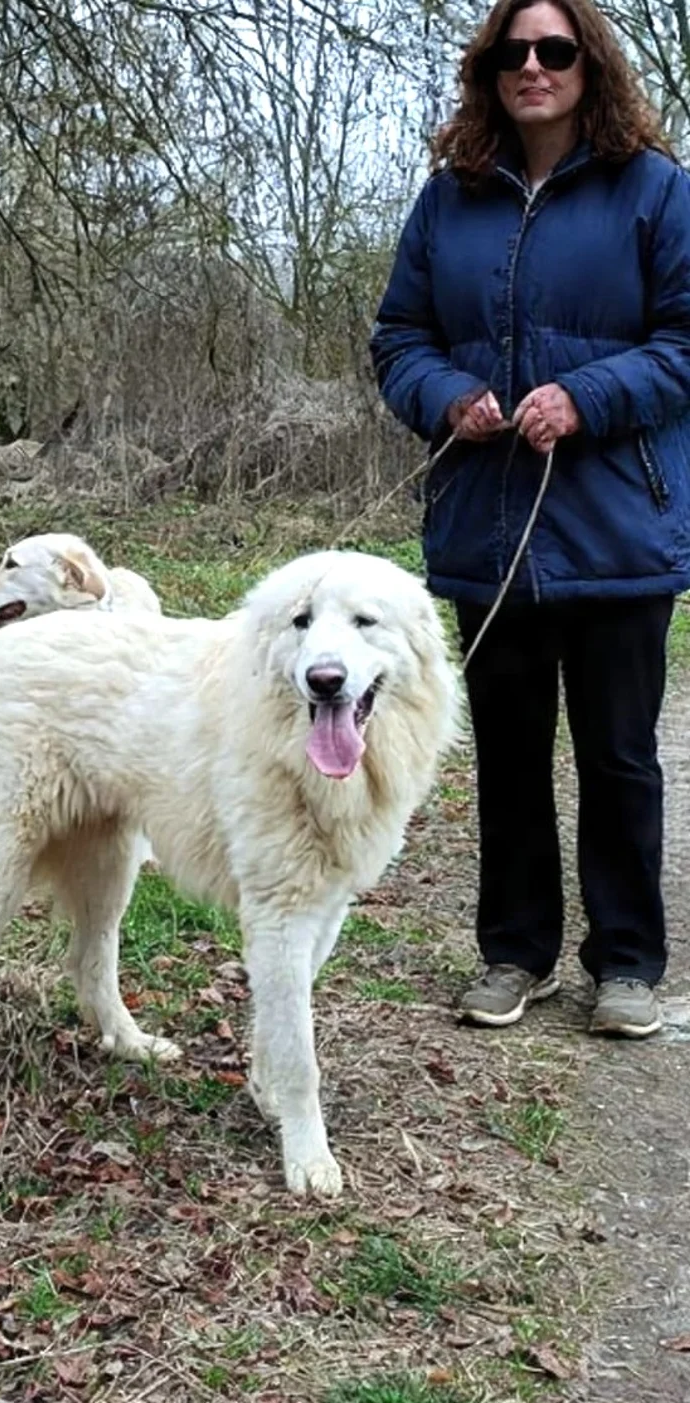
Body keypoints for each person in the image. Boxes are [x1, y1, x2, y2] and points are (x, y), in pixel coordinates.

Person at [370, 0, 690, 1037]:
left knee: (619, 755)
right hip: (487, 525)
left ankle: (629, 963)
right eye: (512, 53)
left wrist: (588, 396)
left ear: (588, 64)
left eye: (553, 50)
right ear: (489, 71)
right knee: (508, 753)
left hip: (618, 530)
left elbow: (685, 344)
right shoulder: (447, 200)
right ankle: (515, 953)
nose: (532, 67)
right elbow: (400, 339)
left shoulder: (656, 190)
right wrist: (449, 397)